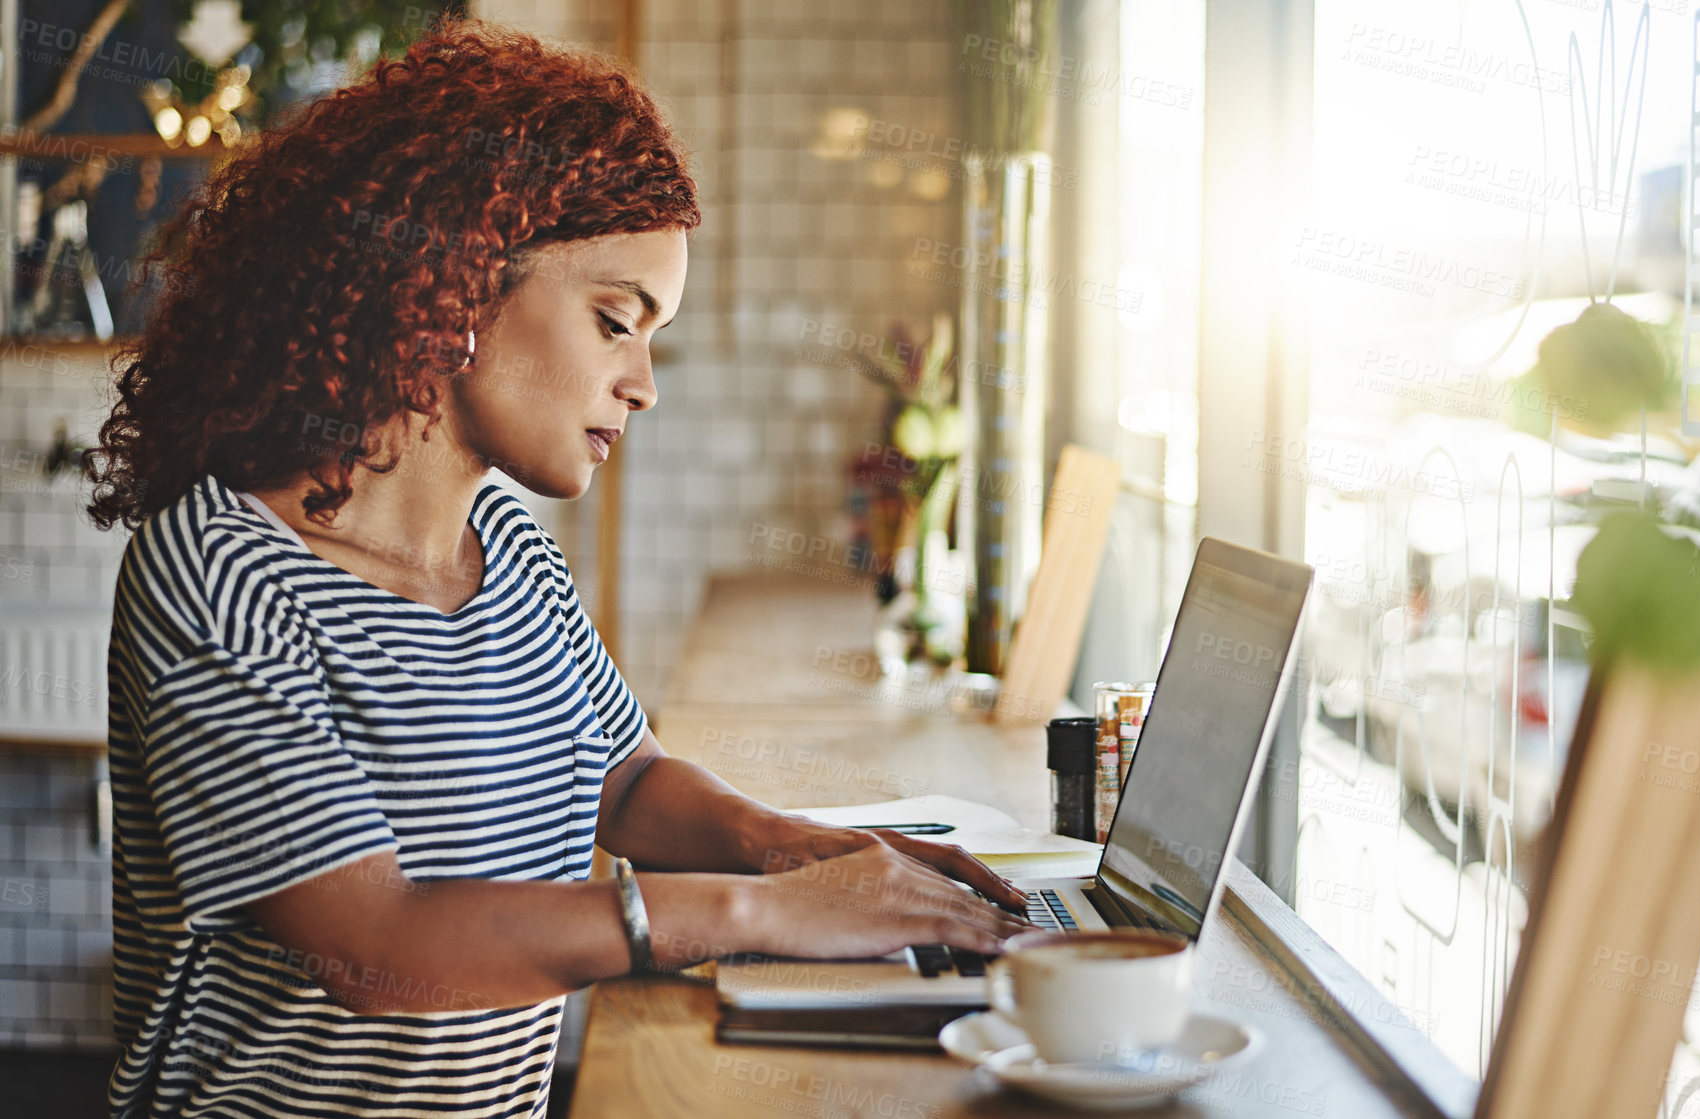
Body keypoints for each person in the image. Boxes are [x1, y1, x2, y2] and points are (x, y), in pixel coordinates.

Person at [85, 17, 1031, 1118]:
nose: (642, 384)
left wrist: (790, 848)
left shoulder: (513, 553)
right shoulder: (219, 570)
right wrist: (752, 917)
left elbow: (620, 780)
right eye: (615, 322)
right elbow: (370, 948)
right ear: (456, 282)